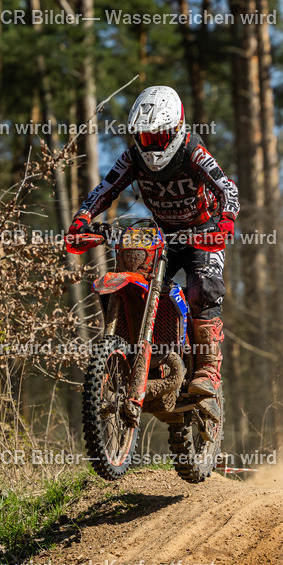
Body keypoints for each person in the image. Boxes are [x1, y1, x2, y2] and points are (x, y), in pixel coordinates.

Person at [68, 85, 239, 397]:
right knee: (139, 281)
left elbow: (228, 188)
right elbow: (105, 189)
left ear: (175, 128)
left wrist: (225, 222)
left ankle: (207, 371)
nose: (151, 145)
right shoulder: (133, 157)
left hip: (203, 233)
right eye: (145, 137)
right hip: (162, 235)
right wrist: (81, 219)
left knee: (204, 287)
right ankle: (142, 354)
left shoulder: (192, 151)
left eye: (158, 137)